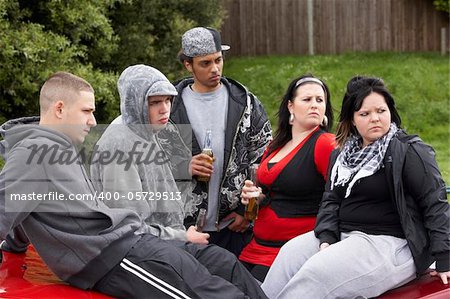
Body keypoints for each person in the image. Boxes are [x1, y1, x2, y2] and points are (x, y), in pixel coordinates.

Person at [0, 71, 268, 299]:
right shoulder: (35, 150)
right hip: (113, 256)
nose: (93, 122)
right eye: (87, 111)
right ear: (59, 109)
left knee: (223, 265)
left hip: (130, 242)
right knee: (214, 293)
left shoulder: (55, 149)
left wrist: (14, 246)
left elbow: (25, 204)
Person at [261, 76, 450, 298]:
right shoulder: (342, 154)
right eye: (365, 114)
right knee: (289, 254)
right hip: (344, 233)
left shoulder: (408, 150)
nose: (375, 119)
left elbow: (434, 202)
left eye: (381, 111)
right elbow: (331, 199)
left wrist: (445, 257)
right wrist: (327, 236)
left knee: (317, 274)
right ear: (351, 119)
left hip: (390, 242)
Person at [171, 27, 272, 256]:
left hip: (234, 227)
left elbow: (264, 158)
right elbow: (150, 161)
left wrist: (247, 211)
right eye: (205, 63)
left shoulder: (245, 102)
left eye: (218, 60)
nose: (215, 69)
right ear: (188, 64)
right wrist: (184, 167)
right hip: (184, 229)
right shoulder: (169, 106)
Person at [90, 64, 209, 245]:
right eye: (154, 102)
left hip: (163, 244)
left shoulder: (145, 130)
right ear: (134, 103)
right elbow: (130, 228)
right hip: (141, 254)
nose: (165, 109)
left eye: (168, 100)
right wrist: (183, 237)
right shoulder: (120, 146)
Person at [238, 74, 335, 281]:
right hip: (257, 246)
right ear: (291, 106)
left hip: (288, 254)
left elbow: (338, 196)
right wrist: (257, 197)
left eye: (320, 100)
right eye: (307, 100)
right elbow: (275, 192)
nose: (315, 105)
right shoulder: (276, 146)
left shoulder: (325, 143)